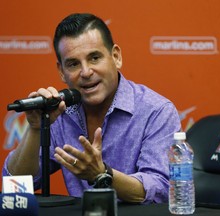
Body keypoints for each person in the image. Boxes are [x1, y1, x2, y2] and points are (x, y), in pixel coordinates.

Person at [2, 13, 181, 203]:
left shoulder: (157, 111)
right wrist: (36, 127)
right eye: (73, 64)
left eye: (94, 58)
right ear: (62, 72)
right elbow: (15, 185)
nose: (86, 72)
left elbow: (160, 190)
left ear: (116, 57)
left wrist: (102, 174)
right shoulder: (58, 111)